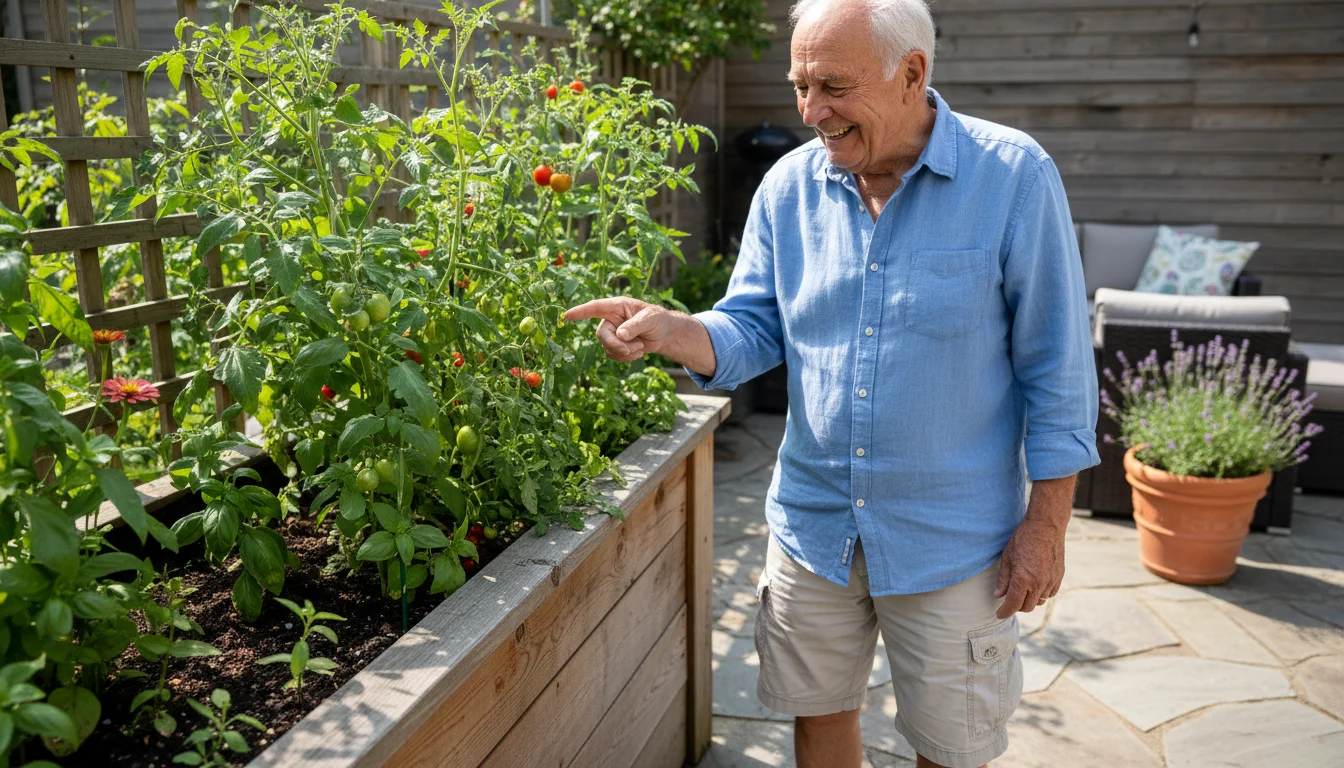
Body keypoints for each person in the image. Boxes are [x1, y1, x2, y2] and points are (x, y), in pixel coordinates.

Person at [565, 0, 1099, 765]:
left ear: (912, 72)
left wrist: (1046, 526)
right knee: (817, 719)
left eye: (833, 87)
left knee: (950, 749)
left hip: (955, 544)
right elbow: (752, 329)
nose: (812, 111)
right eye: (799, 86)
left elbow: (1058, 370)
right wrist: (675, 331)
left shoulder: (1013, 177)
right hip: (814, 527)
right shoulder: (787, 189)